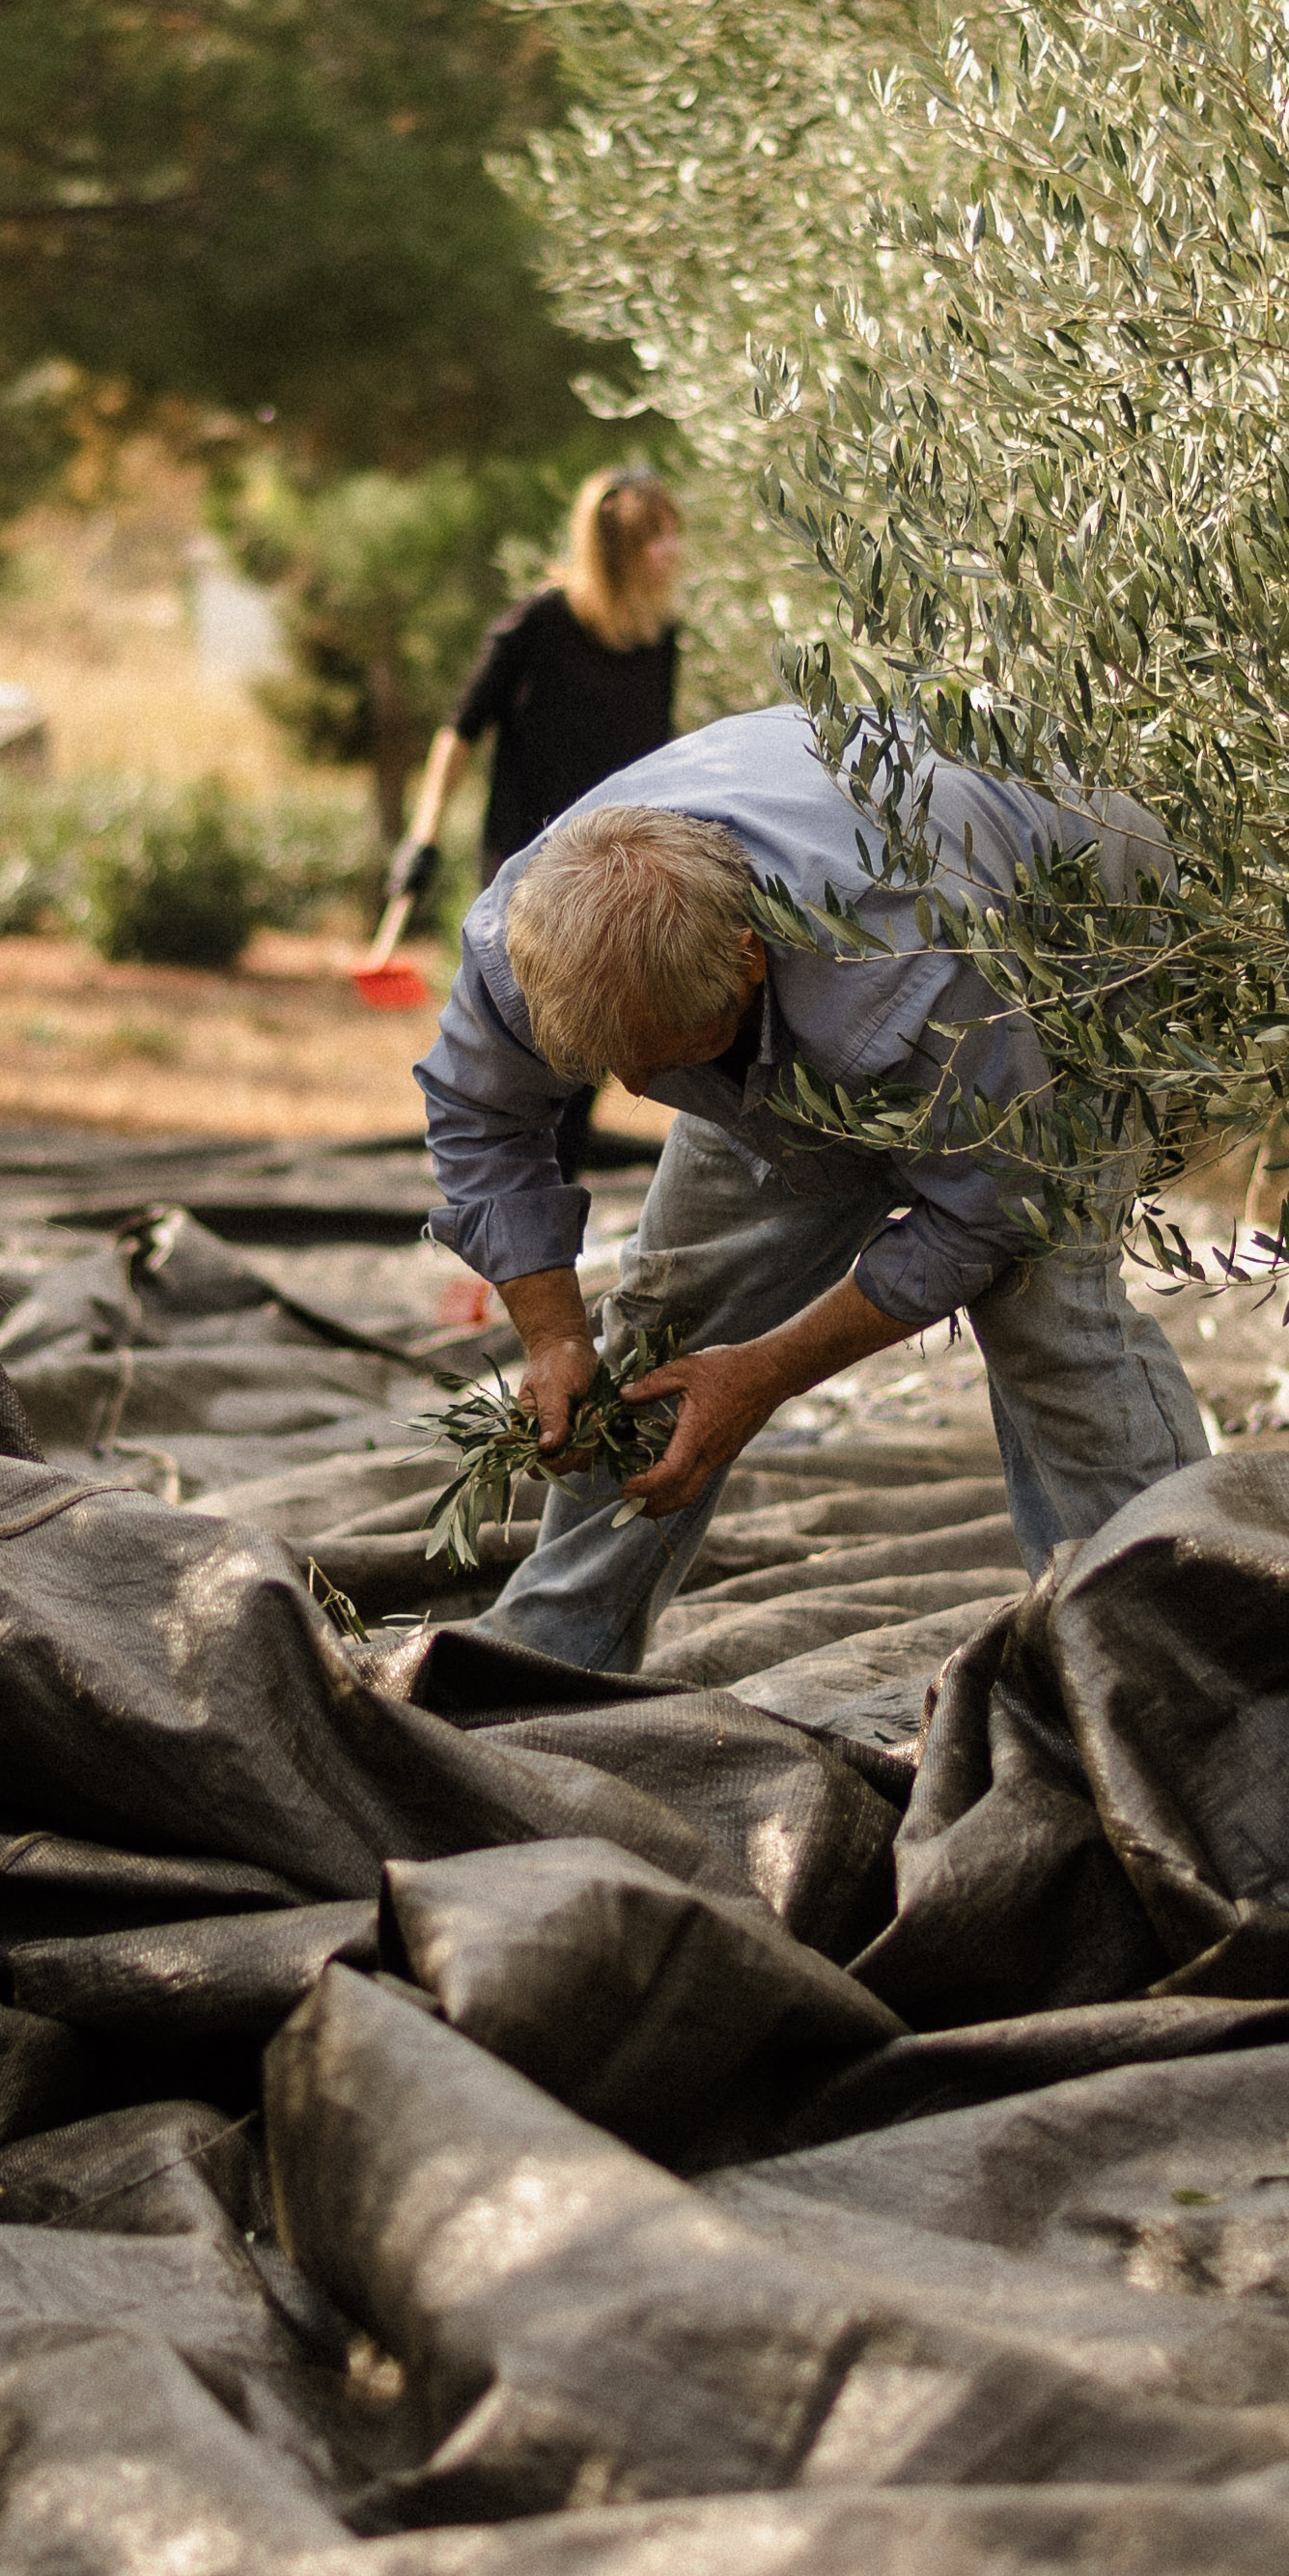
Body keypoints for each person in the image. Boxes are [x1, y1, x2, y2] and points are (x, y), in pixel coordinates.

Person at [416, 704, 1209, 1673]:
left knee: (1049, 1322)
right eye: (612, 1066)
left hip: (1059, 959)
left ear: (747, 963)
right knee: (668, 1331)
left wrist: (769, 1373)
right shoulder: (525, 935)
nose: (633, 1091)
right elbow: (479, 1113)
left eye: (660, 1062)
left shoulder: (906, 968)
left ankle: (1160, 1670)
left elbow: (985, 1214)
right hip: (817, 988)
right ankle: (550, 1652)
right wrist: (552, 1334)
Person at [389, 465, 687, 1174]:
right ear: (616, 549)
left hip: (612, 874)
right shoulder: (540, 625)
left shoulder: (659, 641)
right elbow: (459, 731)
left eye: (673, 534)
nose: (673, 550)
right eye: (657, 537)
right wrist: (422, 837)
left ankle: (548, 1237)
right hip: (528, 874)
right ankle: (498, 1225)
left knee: (588, 1069)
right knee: (529, 1064)